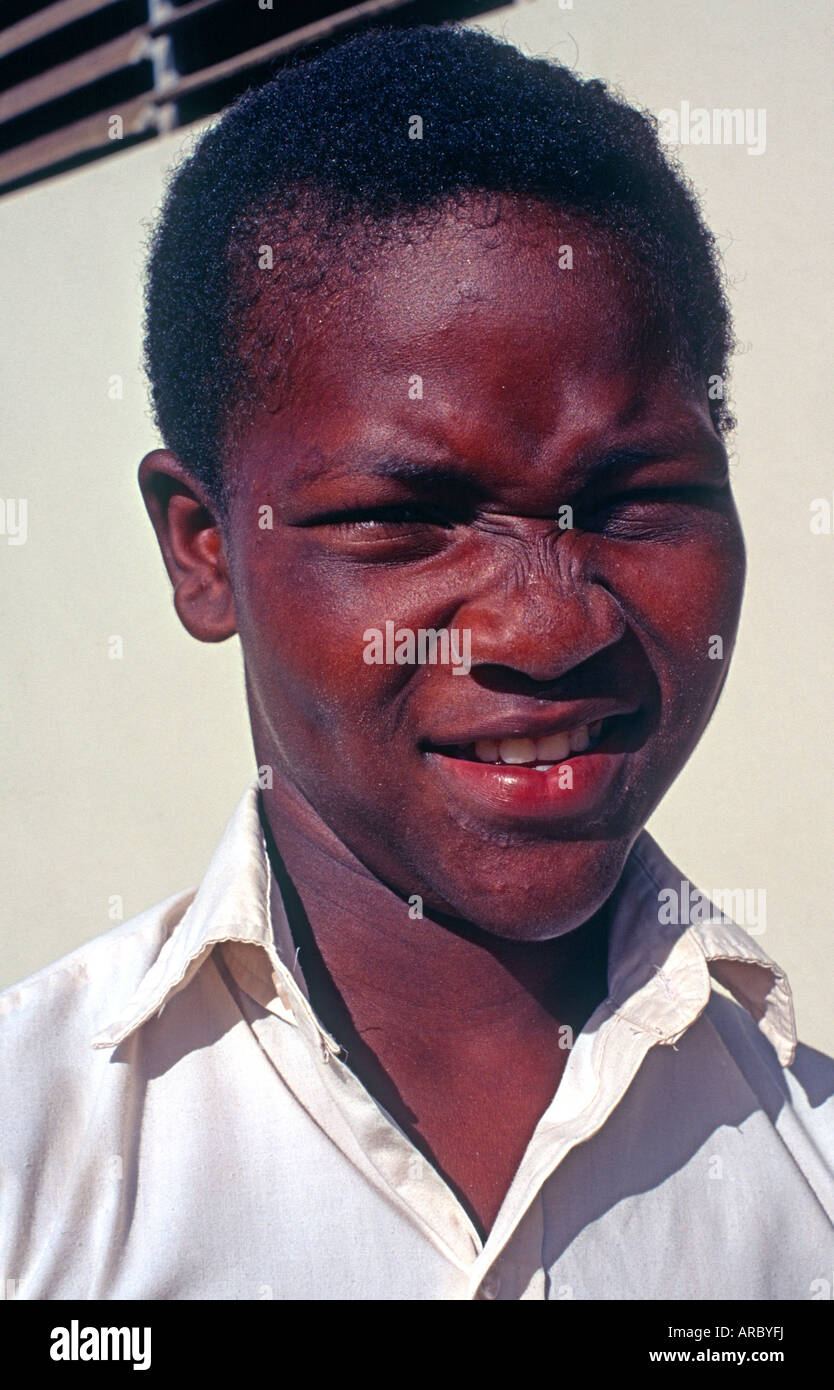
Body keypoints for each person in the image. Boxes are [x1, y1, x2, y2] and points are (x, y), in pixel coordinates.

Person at [2, 23, 832, 1302]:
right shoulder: (34, 1163)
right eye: (404, 518)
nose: (548, 630)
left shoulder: (808, 1166)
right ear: (205, 549)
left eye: (633, 497)